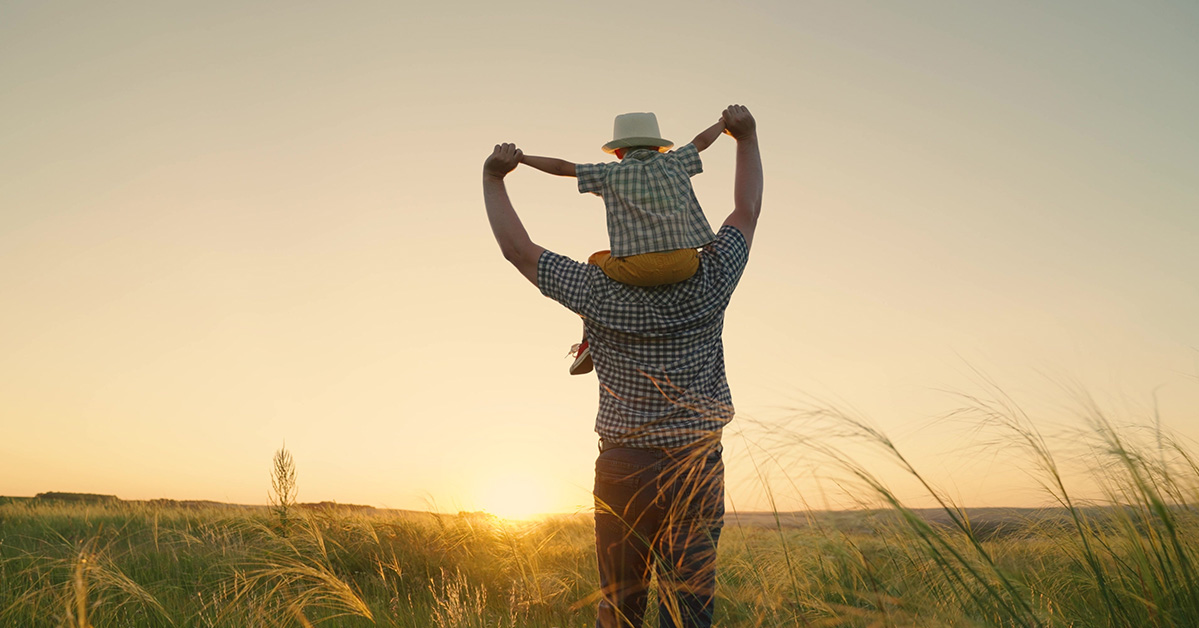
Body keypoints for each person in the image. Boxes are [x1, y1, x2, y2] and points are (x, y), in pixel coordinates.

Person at [482, 104, 761, 628]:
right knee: (689, 612)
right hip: (696, 465)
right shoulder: (713, 277)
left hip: (623, 467)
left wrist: (494, 176)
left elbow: (517, 250)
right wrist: (745, 138)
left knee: (619, 608)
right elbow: (745, 211)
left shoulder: (597, 290)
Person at [519, 112, 727, 376]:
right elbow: (702, 141)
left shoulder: (610, 174)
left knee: (595, 260)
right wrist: (722, 124)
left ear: (618, 152)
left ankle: (588, 342)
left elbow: (562, 167)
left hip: (636, 270)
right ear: (658, 147)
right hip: (686, 264)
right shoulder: (676, 162)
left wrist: (523, 159)